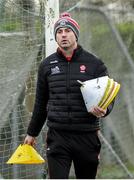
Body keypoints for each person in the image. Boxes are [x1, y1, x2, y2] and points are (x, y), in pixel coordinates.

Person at [24, 12, 114, 179]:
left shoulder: (95, 64)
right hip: (58, 137)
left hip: (86, 136)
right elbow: (40, 103)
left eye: (67, 30)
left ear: (76, 34)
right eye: (59, 31)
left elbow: (109, 95)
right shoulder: (46, 65)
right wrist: (32, 133)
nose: (63, 35)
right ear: (55, 36)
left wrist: (105, 109)